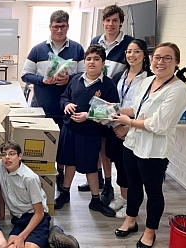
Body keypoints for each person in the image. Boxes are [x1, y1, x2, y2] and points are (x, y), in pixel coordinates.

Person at [112, 42, 186, 248]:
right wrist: (112, 110)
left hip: (154, 150)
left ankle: (150, 231)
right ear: (151, 59)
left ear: (176, 62)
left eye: (167, 58)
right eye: (157, 57)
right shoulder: (147, 81)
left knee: (153, 192)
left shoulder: (179, 90)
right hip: (133, 143)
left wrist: (128, 122)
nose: (160, 62)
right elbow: (135, 108)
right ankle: (130, 220)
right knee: (134, 185)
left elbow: (159, 125)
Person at [21, 10, 85, 193]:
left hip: (66, 108)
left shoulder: (77, 49)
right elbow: (25, 75)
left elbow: (83, 75)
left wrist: (69, 79)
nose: (59, 30)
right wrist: (43, 80)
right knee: (42, 145)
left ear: (67, 27)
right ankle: (41, 176)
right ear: (50, 27)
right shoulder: (37, 49)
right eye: (56, 26)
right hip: (42, 107)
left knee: (62, 147)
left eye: (62, 26)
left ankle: (60, 174)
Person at [53, 45, 119, 218]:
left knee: (90, 166)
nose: (92, 62)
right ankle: (65, 193)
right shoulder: (75, 79)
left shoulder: (108, 84)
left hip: (91, 133)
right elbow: (64, 97)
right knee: (69, 163)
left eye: (96, 59)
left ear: (103, 63)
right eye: (89, 59)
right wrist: (66, 104)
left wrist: (88, 115)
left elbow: (113, 111)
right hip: (70, 129)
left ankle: (95, 200)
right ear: (84, 61)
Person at [79, 5, 134, 205]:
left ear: (121, 22)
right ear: (103, 22)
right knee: (98, 144)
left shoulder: (129, 43)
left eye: (115, 21)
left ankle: (110, 185)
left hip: (116, 101)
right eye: (107, 20)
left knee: (108, 146)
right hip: (96, 99)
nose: (111, 24)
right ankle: (101, 180)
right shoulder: (96, 41)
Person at [106, 39, 153, 218]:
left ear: (144, 55)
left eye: (136, 52)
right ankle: (124, 198)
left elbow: (144, 108)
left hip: (134, 128)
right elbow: (115, 102)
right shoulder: (120, 75)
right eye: (128, 52)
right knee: (120, 165)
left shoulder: (149, 79)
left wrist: (127, 127)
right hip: (116, 126)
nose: (131, 55)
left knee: (132, 171)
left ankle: (132, 206)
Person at [0, 140, 51, 248]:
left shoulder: (29, 178)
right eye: (4, 155)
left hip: (35, 216)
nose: (7, 157)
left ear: (20, 156)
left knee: (29, 246)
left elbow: (39, 213)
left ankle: (51, 237)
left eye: (12, 154)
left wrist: (22, 236)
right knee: (11, 246)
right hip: (19, 218)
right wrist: (1, 211)